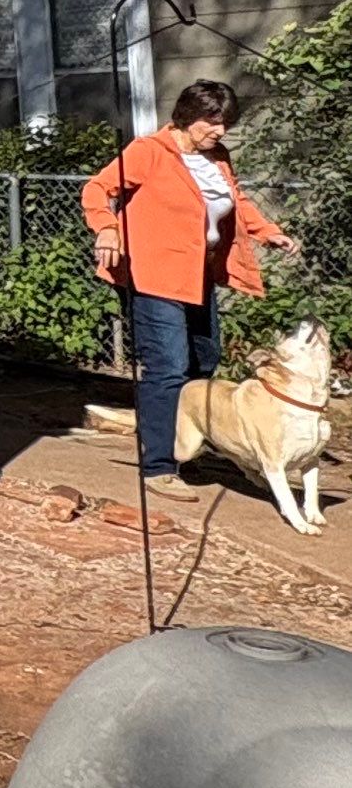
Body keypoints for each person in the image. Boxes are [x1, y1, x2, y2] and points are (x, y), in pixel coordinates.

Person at [84, 80, 298, 501]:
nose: (220, 132)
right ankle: (159, 466)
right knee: (168, 365)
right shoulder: (149, 151)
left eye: (225, 124)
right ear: (187, 117)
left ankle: (186, 440)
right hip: (153, 274)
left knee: (205, 358)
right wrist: (107, 229)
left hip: (197, 273)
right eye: (212, 122)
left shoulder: (218, 157)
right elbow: (96, 189)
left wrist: (267, 232)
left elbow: (236, 200)